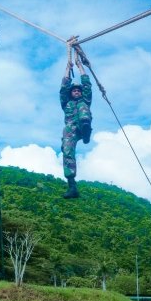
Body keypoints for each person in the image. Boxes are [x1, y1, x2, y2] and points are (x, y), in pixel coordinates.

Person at [60, 47, 92, 199]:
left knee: (83, 106)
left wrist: (80, 66)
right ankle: (72, 185)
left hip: (83, 123)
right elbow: (63, 87)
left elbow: (87, 85)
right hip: (72, 129)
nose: (77, 92)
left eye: (79, 91)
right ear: (71, 93)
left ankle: (86, 130)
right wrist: (68, 69)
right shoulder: (66, 103)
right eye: (75, 91)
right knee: (66, 151)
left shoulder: (84, 101)